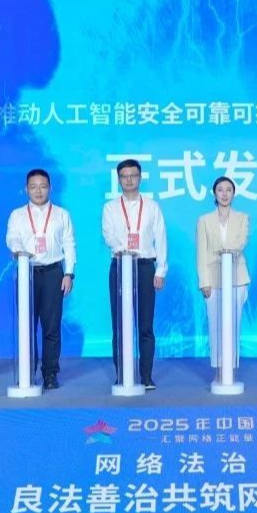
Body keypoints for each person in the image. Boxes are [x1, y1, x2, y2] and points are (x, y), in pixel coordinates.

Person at [5, 169, 76, 390]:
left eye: (43, 186)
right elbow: (12, 238)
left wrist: (69, 273)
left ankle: (50, 374)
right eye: (33, 187)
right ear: (26, 189)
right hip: (27, 273)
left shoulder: (61, 214)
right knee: (26, 326)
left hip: (53, 273)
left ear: (50, 188)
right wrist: (20, 252)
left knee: (51, 326)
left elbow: (69, 244)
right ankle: (27, 373)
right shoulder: (17, 215)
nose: (38, 191)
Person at [101, 159, 167, 390]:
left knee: (145, 325)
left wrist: (161, 270)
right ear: (119, 179)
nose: (128, 180)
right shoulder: (110, 208)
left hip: (145, 266)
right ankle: (122, 374)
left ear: (140, 177)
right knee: (119, 325)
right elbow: (108, 235)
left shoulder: (152, 207)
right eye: (124, 176)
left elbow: (161, 238)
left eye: (133, 175)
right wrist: (125, 250)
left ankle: (146, 376)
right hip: (120, 266)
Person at [195, 176, 251, 370]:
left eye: (229, 190)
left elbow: (241, 241)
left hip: (237, 277)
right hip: (213, 279)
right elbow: (201, 253)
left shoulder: (243, 218)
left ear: (234, 194)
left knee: (233, 324)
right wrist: (204, 281)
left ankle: (231, 367)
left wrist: (226, 252)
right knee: (215, 324)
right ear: (214, 194)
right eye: (220, 190)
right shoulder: (204, 220)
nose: (225, 194)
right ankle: (218, 366)